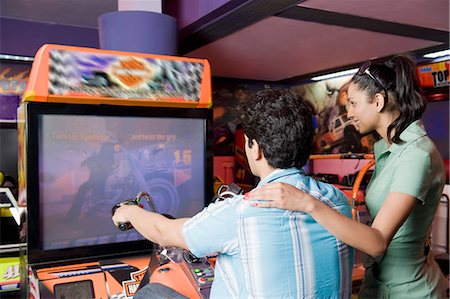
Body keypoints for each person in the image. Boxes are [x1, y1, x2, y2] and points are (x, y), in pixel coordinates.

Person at [112, 88, 354, 298]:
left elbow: (163, 233)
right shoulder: (337, 201)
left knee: (151, 293)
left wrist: (129, 212)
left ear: (255, 148)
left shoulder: (241, 212)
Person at [247, 56, 447, 298]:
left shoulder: (415, 156)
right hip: (378, 283)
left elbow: (377, 241)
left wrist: (307, 203)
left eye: (353, 103)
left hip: (409, 289)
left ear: (378, 101)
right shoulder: (389, 150)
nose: (348, 112)